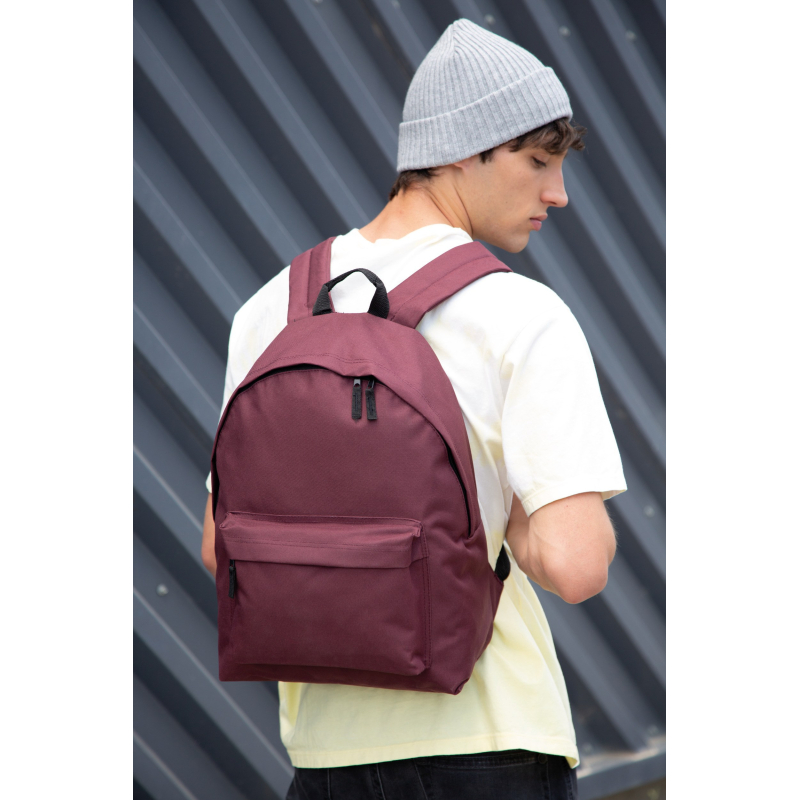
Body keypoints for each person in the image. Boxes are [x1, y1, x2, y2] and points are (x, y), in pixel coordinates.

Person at [201, 18, 625, 800]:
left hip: (325, 757)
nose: (558, 193)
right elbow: (577, 566)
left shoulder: (269, 309)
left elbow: (218, 548)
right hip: (489, 741)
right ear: (463, 149)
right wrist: (499, 510)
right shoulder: (521, 314)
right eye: (538, 161)